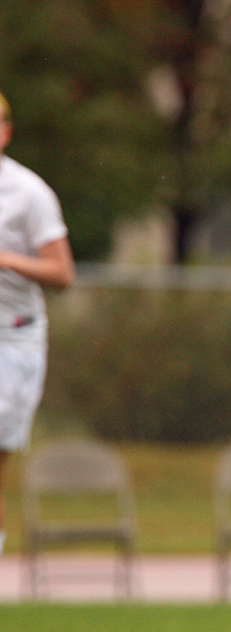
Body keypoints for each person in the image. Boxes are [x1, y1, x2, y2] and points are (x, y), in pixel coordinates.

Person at [0, 89, 77, 574]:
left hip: (12, 341)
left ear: (5, 130)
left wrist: (3, 259)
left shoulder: (28, 193)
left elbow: (62, 274)